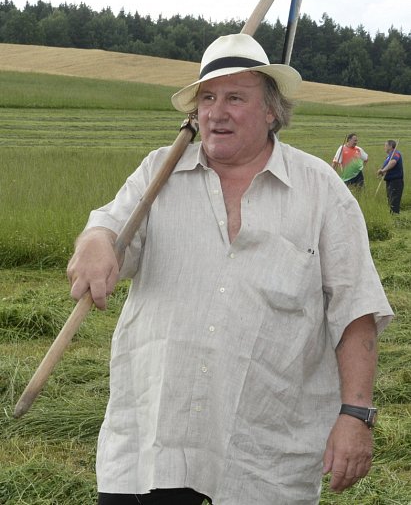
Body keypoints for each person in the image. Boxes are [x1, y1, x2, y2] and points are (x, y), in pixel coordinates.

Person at [67, 33, 393, 505]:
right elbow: (111, 229)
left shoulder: (320, 190)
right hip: (153, 448)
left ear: (270, 111)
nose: (217, 112)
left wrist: (355, 415)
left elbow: (356, 311)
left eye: (235, 97)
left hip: (262, 459)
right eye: (208, 97)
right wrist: (96, 243)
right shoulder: (159, 173)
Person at [377, 140, 404, 214]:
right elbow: (388, 167)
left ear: (390, 146)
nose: (384, 147)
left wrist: (383, 170)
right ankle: (392, 217)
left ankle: (395, 219)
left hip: (396, 181)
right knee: (390, 201)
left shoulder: (396, 153)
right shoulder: (389, 156)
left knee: (394, 202)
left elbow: (393, 162)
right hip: (390, 181)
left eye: (385, 145)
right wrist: (382, 171)